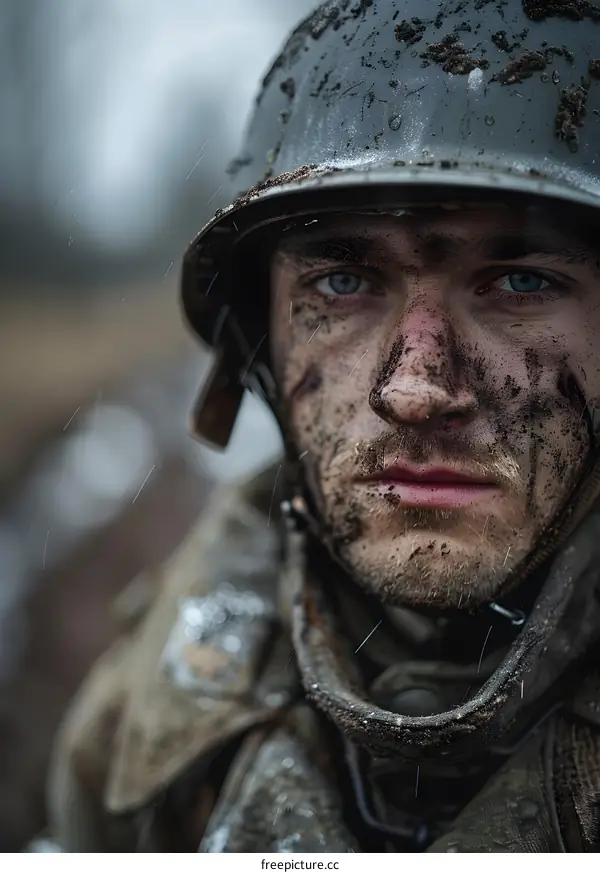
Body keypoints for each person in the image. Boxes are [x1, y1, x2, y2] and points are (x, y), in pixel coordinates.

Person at [48, 0, 600, 852]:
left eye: (521, 281)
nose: (418, 391)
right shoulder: (143, 723)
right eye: (343, 285)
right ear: (257, 344)